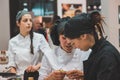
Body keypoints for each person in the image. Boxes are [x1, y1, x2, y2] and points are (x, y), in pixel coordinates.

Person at [64, 10, 120, 80]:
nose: (75, 47)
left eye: (73, 43)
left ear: (83, 36)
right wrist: (86, 76)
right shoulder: (97, 51)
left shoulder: (107, 56)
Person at [7, 10, 52, 78]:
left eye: (30, 20)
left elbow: (50, 56)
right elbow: (12, 65)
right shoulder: (12, 42)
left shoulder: (39, 38)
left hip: (38, 76)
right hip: (21, 76)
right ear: (18, 23)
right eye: (25, 20)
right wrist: (16, 77)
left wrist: (37, 66)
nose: (29, 23)